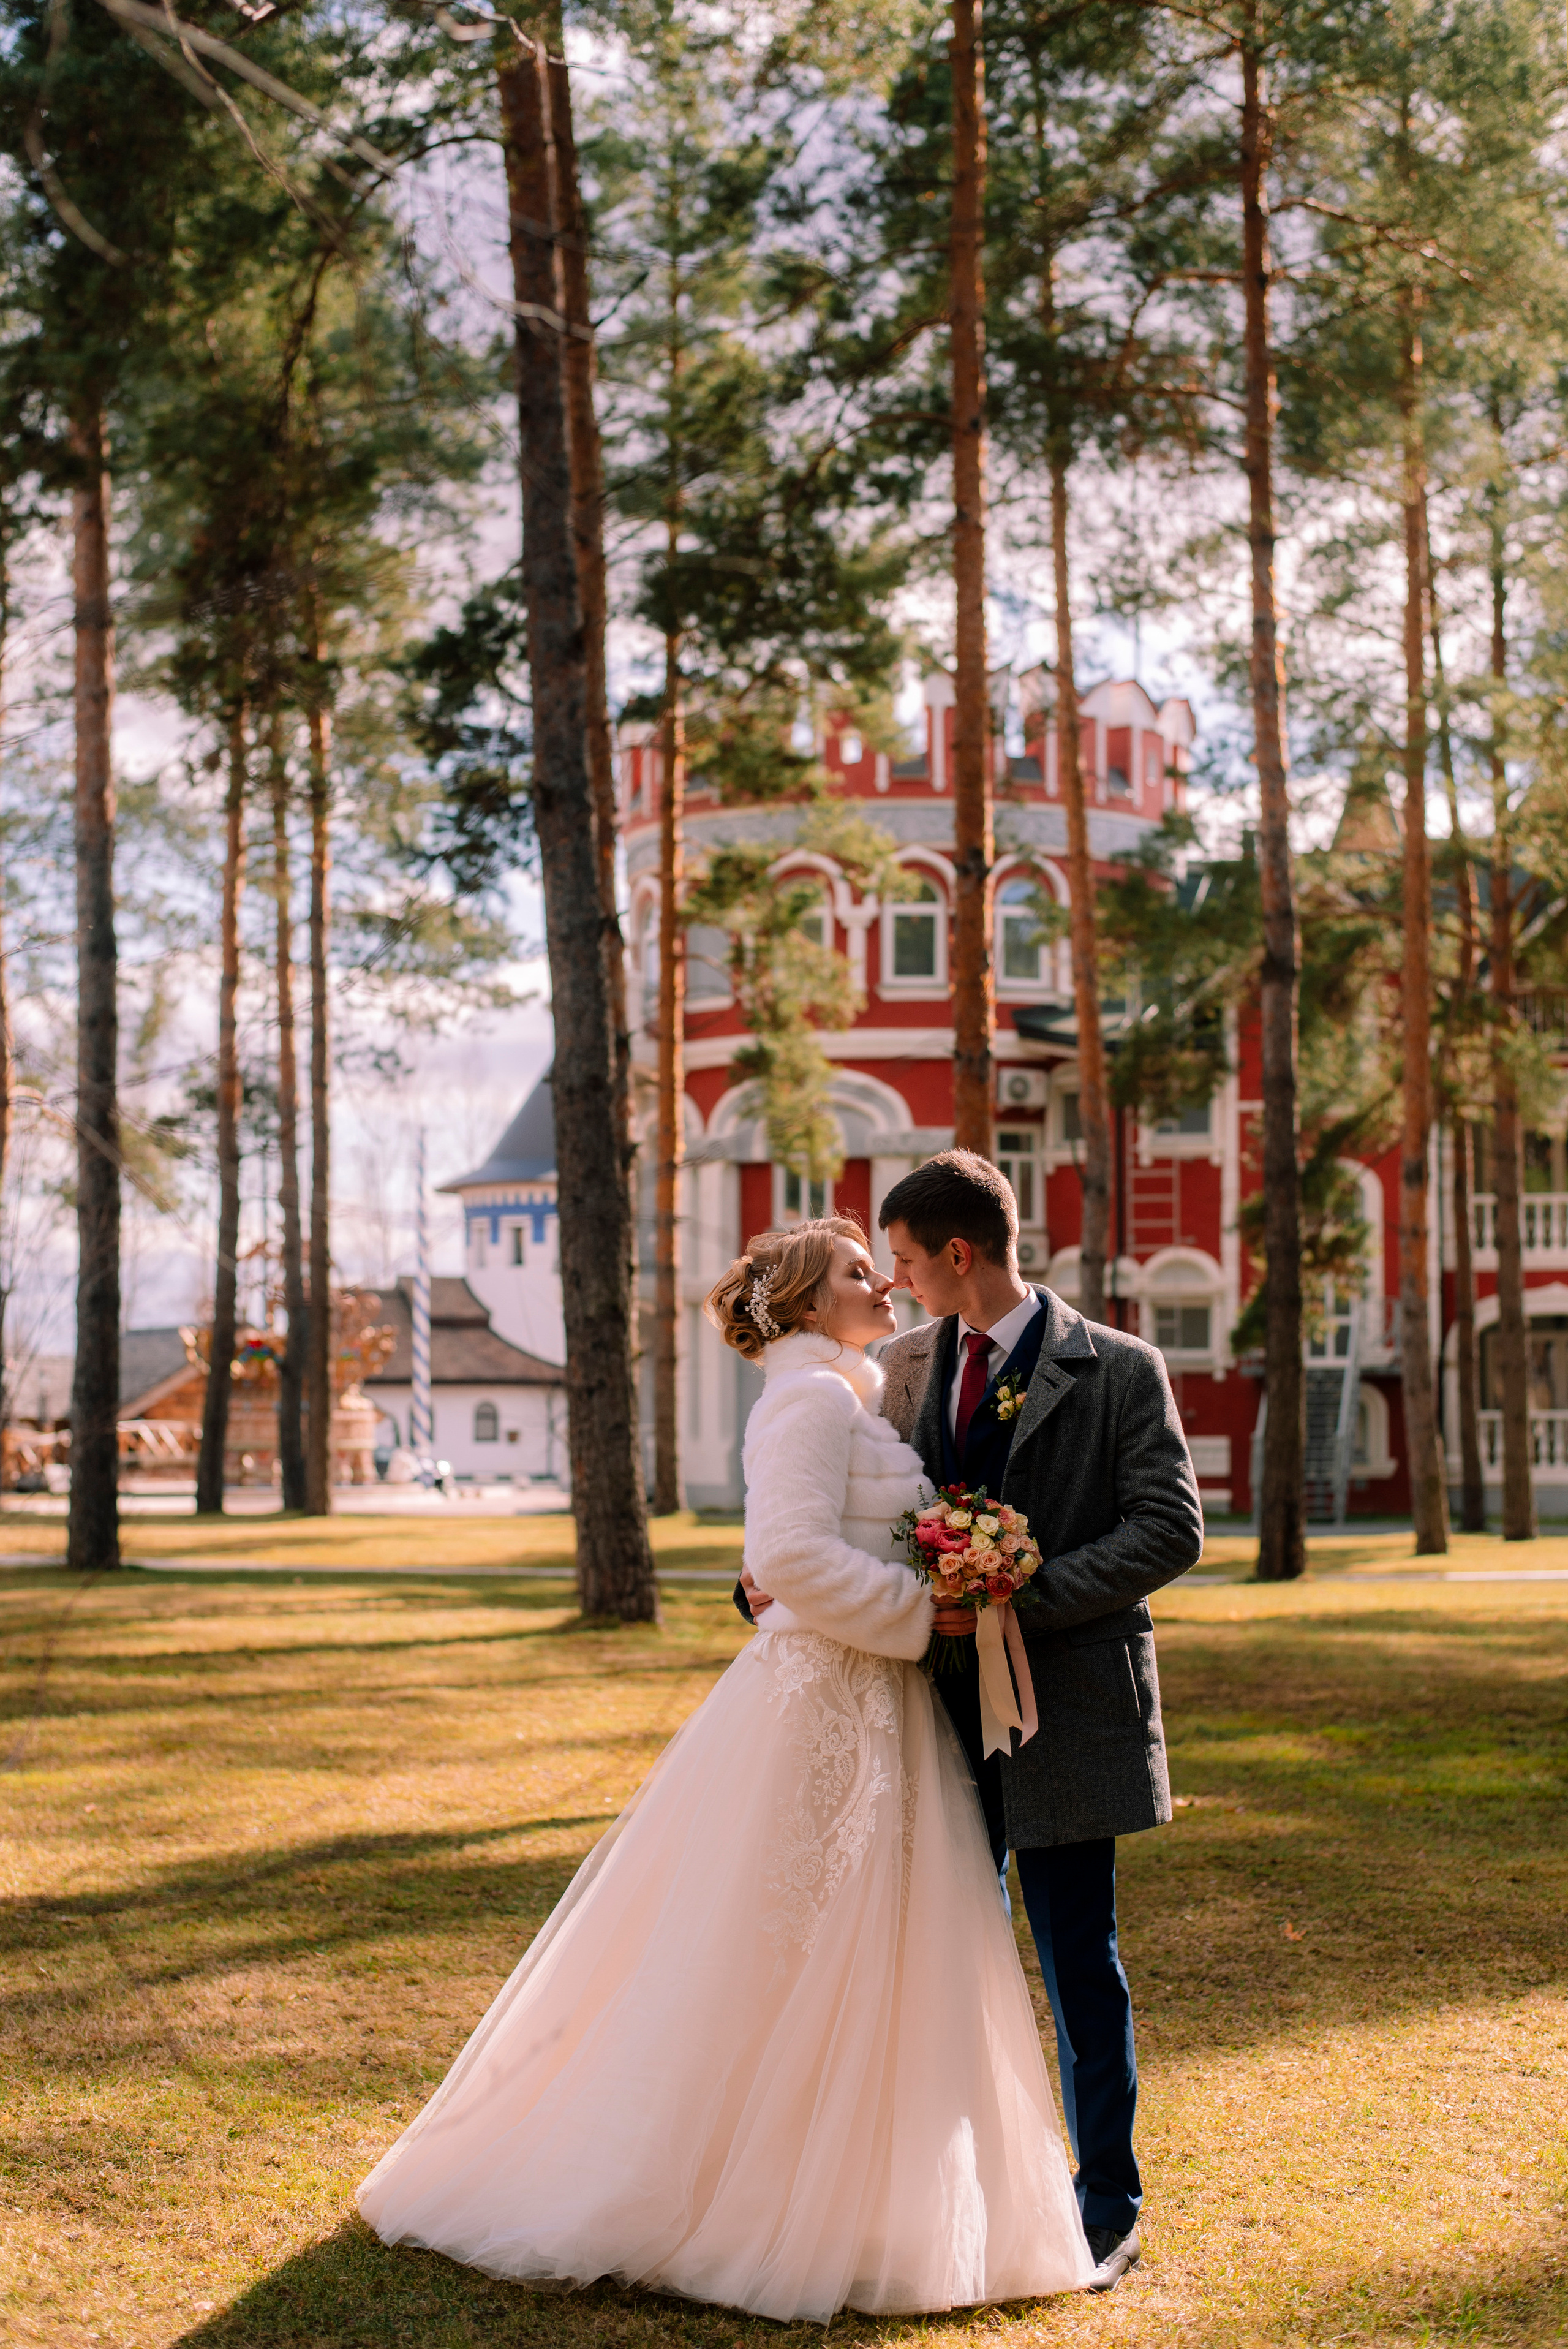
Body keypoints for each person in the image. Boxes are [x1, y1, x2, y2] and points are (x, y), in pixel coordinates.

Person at [358, 1216, 1093, 2322]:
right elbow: (787, 1551)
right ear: (806, 1303)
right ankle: (710, 2185)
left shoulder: (848, 1393)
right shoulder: (810, 1401)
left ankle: (847, 2193)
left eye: (881, 1266)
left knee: (869, 1946)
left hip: (877, 1700)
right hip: (825, 1701)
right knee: (782, 1942)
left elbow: (813, 1549)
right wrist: (919, 1611)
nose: (883, 1284)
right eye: (857, 1272)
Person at [871, 1149, 1203, 2288]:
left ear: (961, 1253)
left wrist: (1016, 1595)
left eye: (908, 1260)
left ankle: (1106, 2205)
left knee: (1077, 1961)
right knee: (936, 1956)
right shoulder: (900, 1366)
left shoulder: (1120, 1367)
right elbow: (864, 1507)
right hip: (929, 1711)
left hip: (1069, 1709)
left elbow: (1169, 1527)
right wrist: (773, 1576)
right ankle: (948, 2198)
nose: (898, 1281)